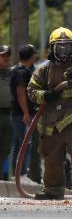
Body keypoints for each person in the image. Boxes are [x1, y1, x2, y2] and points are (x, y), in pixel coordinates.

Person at [27, 28, 72, 200]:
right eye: (60, 48)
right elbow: (31, 90)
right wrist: (45, 95)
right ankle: (53, 190)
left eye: (68, 47)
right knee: (51, 157)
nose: (64, 52)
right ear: (53, 49)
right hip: (50, 124)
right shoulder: (44, 69)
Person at [9, 44, 41, 184]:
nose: (36, 56)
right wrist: (26, 113)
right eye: (34, 54)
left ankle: (17, 175)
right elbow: (20, 93)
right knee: (25, 144)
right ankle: (22, 175)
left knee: (19, 144)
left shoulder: (21, 70)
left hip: (18, 114)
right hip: (22, 115)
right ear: (30, 56)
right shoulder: (22, 72)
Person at [0, 45, 12, 181]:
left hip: (9, 114)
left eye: (7, 55)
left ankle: (2, 176)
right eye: (3, 55)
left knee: (6, 148)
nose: (6, 58)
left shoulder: (12, 73)